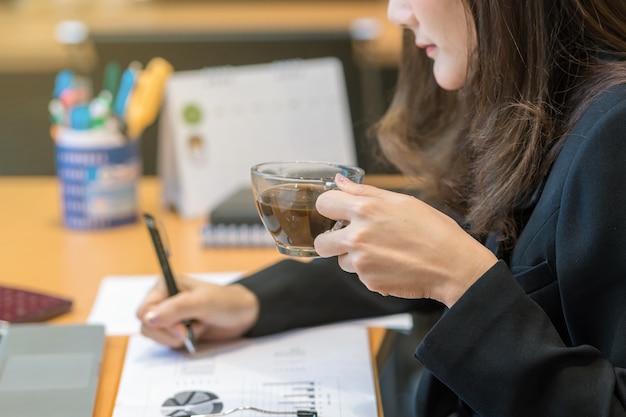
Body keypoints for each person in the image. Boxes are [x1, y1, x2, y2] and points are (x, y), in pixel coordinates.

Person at [137, 0, 626, 415]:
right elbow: (451, 237)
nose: (396, 12)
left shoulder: (614, 134)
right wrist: (251, 302)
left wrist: (463, 283)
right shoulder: (549, 100)